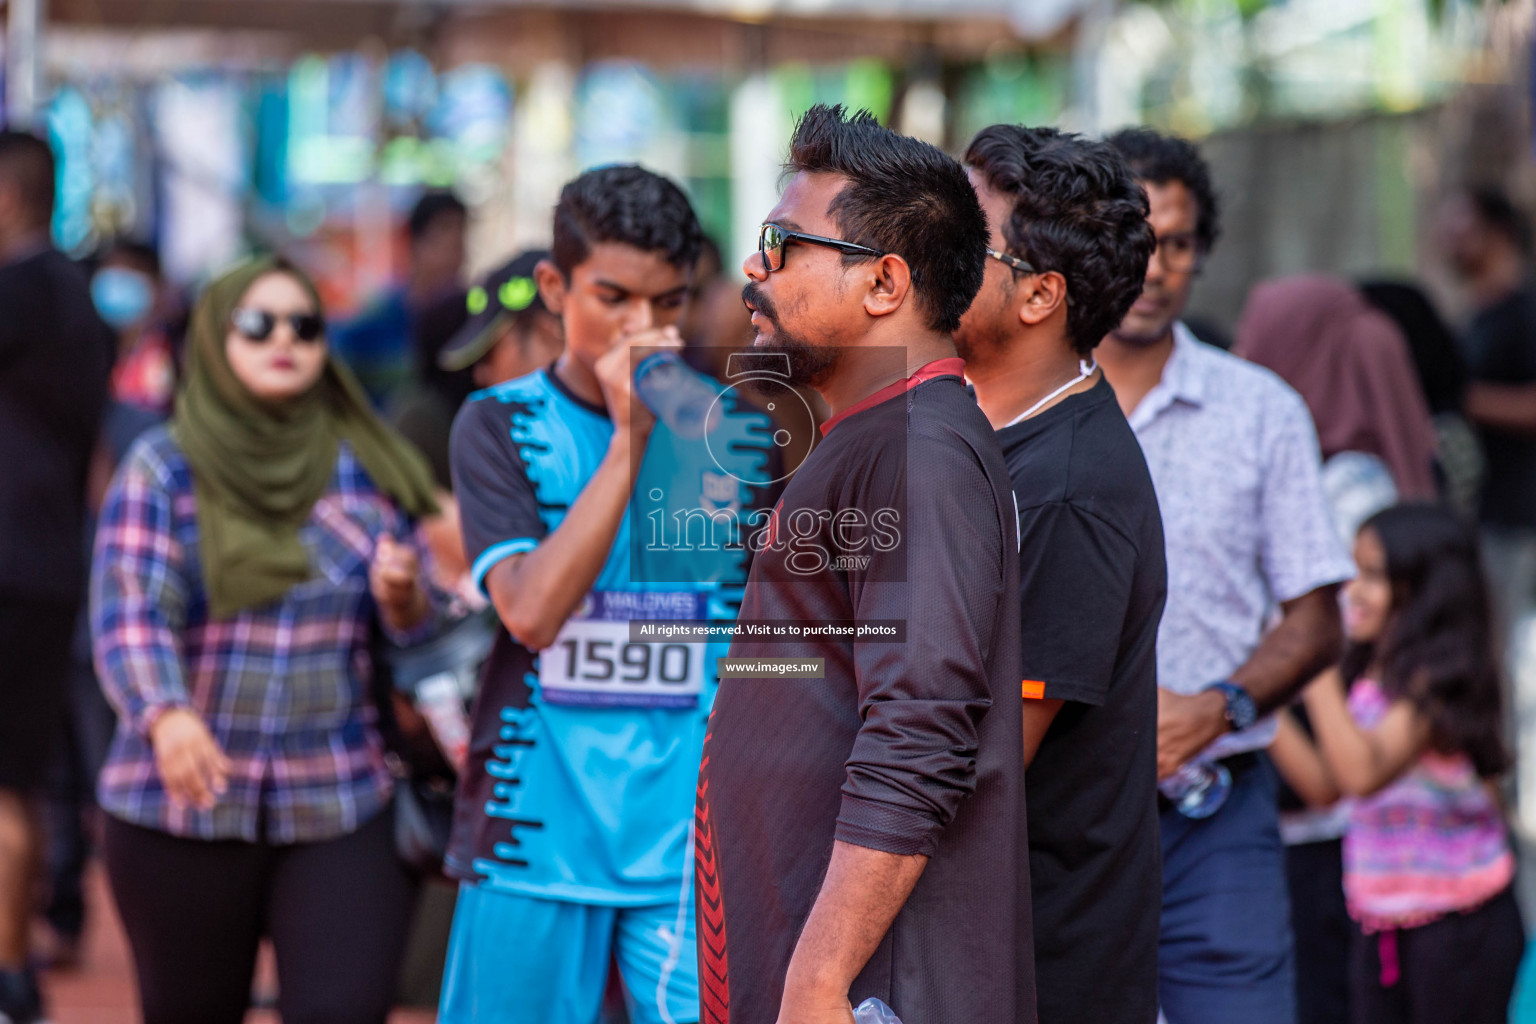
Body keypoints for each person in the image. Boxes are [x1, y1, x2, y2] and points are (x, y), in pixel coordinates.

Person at [696, 104, 1031, 1024]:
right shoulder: (879, 437)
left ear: (884, 282)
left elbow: (920, 730)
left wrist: (818, 981)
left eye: (780, 244)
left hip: (864, 987)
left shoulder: (917, 447)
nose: (751, 272)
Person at [439, 165, 774, 1024]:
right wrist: (633, 439)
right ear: (554, 287)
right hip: (530, 838)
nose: (644, 328)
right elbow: (530, 611)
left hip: (679, 853)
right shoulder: (498, 423)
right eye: (615, 298)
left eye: (668, 303)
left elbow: (733, 643)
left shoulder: (730, 435)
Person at [91, 256, 441, 1024]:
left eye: (304, 325)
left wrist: (408, 596)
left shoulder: (366, 467)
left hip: (340, 794)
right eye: (258, 324)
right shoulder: (163, 469)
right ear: (216, 340)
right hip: (179, 803)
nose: (284, 339)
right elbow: (131, 609)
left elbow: (421, 630)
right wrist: (166, 713)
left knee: (346, 1008)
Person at [1100, 127, 1355, 1024]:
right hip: (1047, 809)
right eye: (1133, 235)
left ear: (1201, 254)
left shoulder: (1261, 411)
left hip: (1218, 813)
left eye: (1177, 242)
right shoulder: (1016, 404)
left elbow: (1319, 616)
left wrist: (1221, 706)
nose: (1155, 264)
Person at [955, 125, 1162, 1024]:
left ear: (1040, 295)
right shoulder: (972, 427)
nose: (918, 249)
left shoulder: (1068, 491)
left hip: (1034, 968)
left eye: (962, 238)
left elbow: (983, 765)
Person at [1270, 504, 1523, 1024]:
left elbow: (1362, 773)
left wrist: (1309, 659)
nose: (1352, 591)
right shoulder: (1368, 675)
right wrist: (1253, 700)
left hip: (1457, 925)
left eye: (1374, 576)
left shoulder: (1439, 681)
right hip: (1381, 923)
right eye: (1351, 570)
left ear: (1428, 589)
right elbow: (1326, 786)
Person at [0, 128, 115, 1024]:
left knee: (8, 785)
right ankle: (17, 960)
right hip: (46, 566)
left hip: (12, 571)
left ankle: (9, 968)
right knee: (24, 780)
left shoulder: (23, 290)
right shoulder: (77, 296)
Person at [1236, 275, 1439, 501]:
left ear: (1306, 362)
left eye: (1255, 339)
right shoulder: (1329, 471)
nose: (1239, 355)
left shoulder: (1348, 493)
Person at [332, 190, 468, 408]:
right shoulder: (376, 319)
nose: (457, 248)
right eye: (444, 233)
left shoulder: (467, 321)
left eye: (462, 233)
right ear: (415, 241)